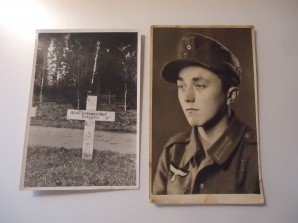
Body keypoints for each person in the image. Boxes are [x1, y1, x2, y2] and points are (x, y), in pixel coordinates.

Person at [153, 33, 260, 195]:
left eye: (200, 85)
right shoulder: (173, 152)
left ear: (231, 95)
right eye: (181, 86)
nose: (187, 98)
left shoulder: (256, 154)